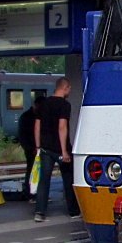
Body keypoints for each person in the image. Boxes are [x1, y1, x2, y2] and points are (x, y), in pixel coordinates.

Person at [34, 77, 80, 221]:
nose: (70, 91)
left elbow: (37, 126)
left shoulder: (43, 104)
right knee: (68, 179)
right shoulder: (65, 105)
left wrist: (38, 146)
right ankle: (73, 211)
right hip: (60, 149)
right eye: (70, 88)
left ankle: (40, 212)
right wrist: (64, 151)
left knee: (44, 180)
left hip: (45, 149)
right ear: (65, 88)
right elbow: (62, 127)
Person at [17, 96, 46, 201]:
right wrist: (30, 148)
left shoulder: (33, 116)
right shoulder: (27, 117)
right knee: (32, 171)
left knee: (37, 172)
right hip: (32, 149)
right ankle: (30, 193)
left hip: (39, 148)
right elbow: (23, 135)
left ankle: (37, 194)